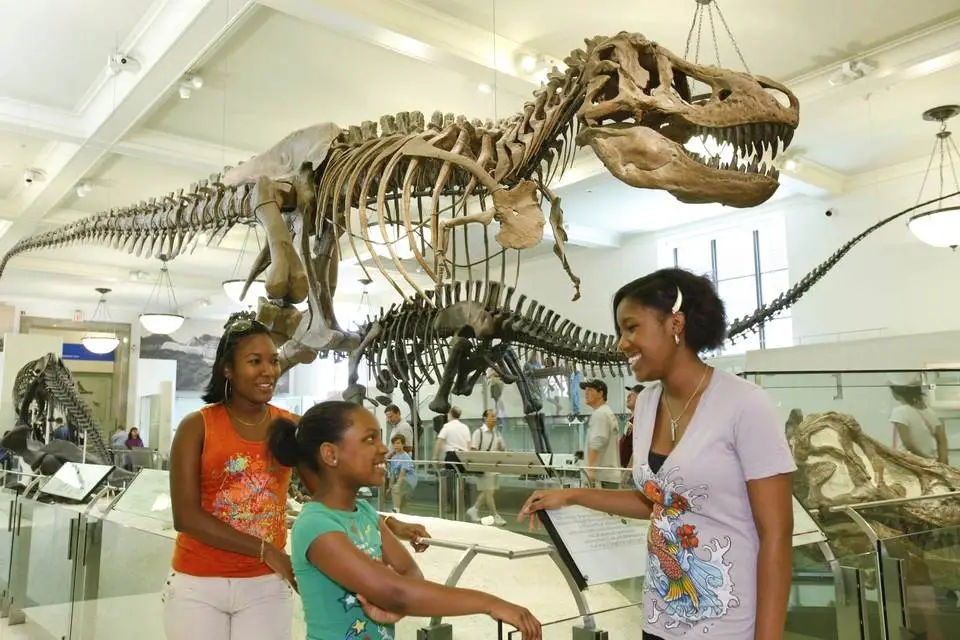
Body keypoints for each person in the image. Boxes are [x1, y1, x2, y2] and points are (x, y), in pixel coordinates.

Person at [520, 268, 795, 640]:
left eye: (631, 328)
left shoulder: (746, 404)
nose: (621, 343)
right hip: (659, 619)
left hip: (728, 627)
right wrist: (571, 495)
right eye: (620, 332)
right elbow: (657, 502)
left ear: (675, 324)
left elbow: (776, 533)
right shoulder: (647, 404)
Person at [164, 312, 429, 640]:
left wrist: (385, 523)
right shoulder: (197, 426)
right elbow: (186, 516)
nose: (269, 371)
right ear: (228, 369)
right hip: (197, 583)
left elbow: (330, 495)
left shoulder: (291, 427)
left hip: (265, 586)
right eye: (255, 361)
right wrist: (267, 550)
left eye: (273, 361)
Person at [268, 401, 541, 640]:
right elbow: (397, 592)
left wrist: (392, 601)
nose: (383, 448)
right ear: (331, 454)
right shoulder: (315, 525)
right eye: (370, 439)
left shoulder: (365, 513)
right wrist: (490, 604)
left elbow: (411, 575)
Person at [888, 374, 948, 463]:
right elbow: (942, 440)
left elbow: (907, 443)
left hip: (907, 462)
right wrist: (940, 462)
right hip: (928, 462)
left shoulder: (899, 411)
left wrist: (924, 459)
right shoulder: (930, 412)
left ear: (895, 392)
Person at [466, 409, 507, 525]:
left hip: (494, 468)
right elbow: (473, 450)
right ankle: (495, 516)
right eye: (492, 416)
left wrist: (500, 446)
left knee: (489, 492)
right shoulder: (478, 433)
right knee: (488, 492)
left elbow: (502, 448)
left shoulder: (496, 433)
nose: (495, 419)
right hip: (483, 468)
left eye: (495, 416)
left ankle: (473, 509)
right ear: (485, 418)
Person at [579, 379, 621, 488]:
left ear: (600, 393)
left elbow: (597, 443)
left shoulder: (600, 414)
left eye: (590, 390)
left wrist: (590, 472)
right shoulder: (607, 412)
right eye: (585, 390)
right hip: (609, 477)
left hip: (601, 479)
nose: (586, 393)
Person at [620, 384, 645, 485]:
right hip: (625, 470)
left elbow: (638, 449)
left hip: (633, 475)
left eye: (632, 394)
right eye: (628, 394)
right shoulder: (631, 421)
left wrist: (627, 474)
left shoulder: (641, 420)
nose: (628, 396)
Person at [386, 434, 417, 513]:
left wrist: (397, 485)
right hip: (401, 479)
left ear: (403, 444)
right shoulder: (393, 458)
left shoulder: (405, 456)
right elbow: (392, 474)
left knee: (396, 489)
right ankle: (402, 513)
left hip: (409, 480)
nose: (396, 445)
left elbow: (402, 472)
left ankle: (395, 509)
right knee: (402, 503)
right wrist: (389, 486)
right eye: (394, 443)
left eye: (398, 443)